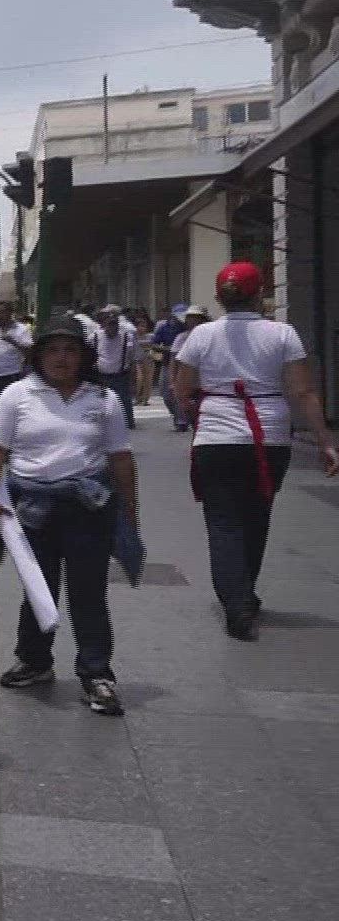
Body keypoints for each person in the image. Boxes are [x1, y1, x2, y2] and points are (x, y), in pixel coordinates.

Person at [172, 262, 339, 640]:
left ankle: (237, 603)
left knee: (223, 522)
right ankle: (244, 592)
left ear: (219, 298)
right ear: (260, 294)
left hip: (217, 438)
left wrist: (201, 412)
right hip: (270, 437)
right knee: (256, 516)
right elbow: (303, 391)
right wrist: (325, 439)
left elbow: (182, 390)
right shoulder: (282, 333)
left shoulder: (201, 335)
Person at [0, 317, 138, 715]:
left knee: (89, 593)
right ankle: (34, 661)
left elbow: (120, 456)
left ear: (84, 356)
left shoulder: (105, 400)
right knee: (38, 589)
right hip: (32, 510)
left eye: (70, 350)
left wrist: (129, 509)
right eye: (52, 350)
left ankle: (97, 674)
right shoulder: (16, 394)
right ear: (38, 355)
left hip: (90, 510)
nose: (61, 358)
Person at [91, 305, 138, 430]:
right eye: (109, 324)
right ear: (103, 324)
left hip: (120, 376)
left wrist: (133, 381)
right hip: (101, 377)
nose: (112, 328)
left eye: (115, 324)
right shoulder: (95, 337)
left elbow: (132, 359)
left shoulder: (127, 337)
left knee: (123, 404)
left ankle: (126, 426)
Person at [131, 312, 156, 406]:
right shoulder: (133, 337)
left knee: (148, 380)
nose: (142, 328)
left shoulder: (151, 336)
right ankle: (137, 398)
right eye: (140, 326)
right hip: (137, 361)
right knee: (139, 379)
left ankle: (145, 399)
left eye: (144, 326)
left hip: (148, 360)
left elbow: (155, 347)